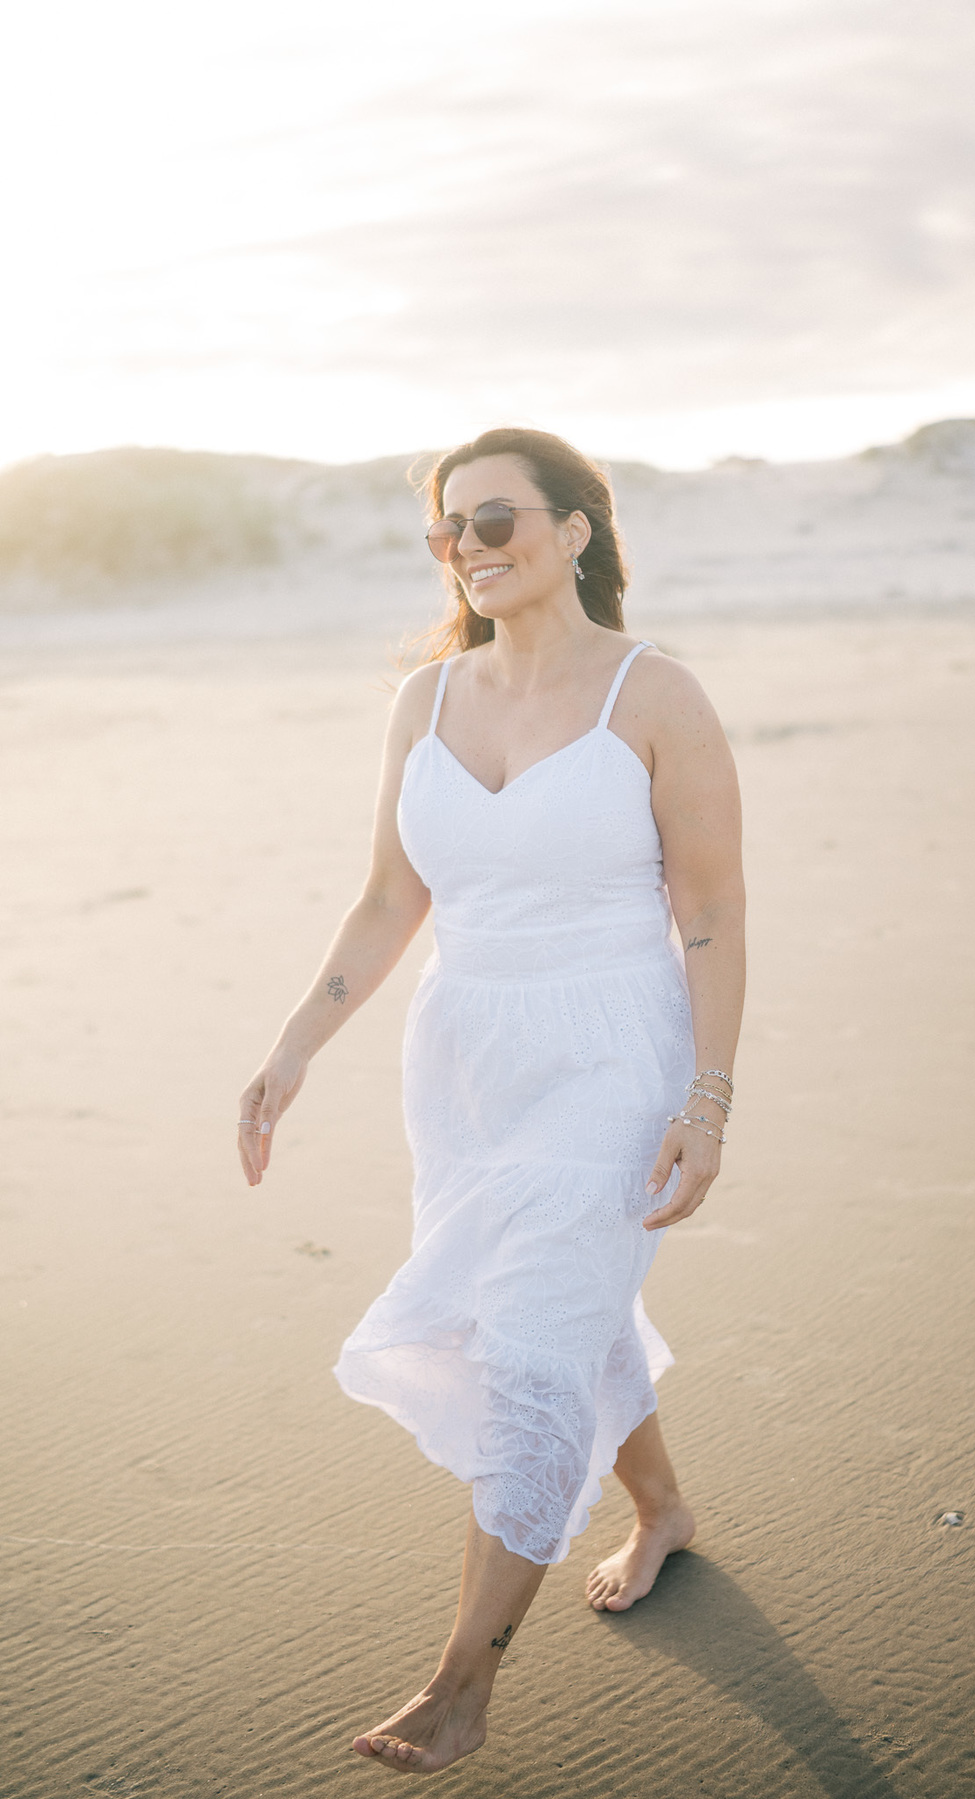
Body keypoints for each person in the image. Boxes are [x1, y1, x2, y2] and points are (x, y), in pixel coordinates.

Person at [237, 427, 745, 1774]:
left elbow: (708, 911)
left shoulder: (657, 694)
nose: (472, 546)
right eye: (449, 529)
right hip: (465, 1060)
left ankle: (464, 1682)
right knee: (562, 1296)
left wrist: (708, 1096)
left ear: (578, 528)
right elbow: (392, 899)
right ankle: (666, 1510)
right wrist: (295, 1045)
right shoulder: (427, 701)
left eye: (498, 518)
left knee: (529, 1342)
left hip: (614, 1051)